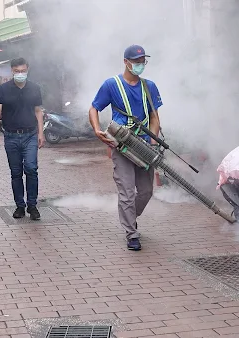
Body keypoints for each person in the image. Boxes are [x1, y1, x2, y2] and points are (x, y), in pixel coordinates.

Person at [88, 45, 163, 251]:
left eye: (142, 62)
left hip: (145, 146)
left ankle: (130, 217)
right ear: (126, 62)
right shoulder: (111, 85)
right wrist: (97, 130)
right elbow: (94, 108)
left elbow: (155, 117)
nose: (140, 65)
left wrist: (154, 141)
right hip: (121, 145)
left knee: (146, 192)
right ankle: (131, 233)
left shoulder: (150, 86)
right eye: (136, 61)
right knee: (127, 192)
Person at [0, 58, 45, 221]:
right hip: (11, 136)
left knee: (31, 168)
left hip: (30, 135)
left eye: (23, 71)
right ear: (12, 71)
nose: (20, 74)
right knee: (16, 172)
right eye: (17, 71)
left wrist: (41, 133)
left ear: (27, 69)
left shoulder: (35, 88)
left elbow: (38, 111)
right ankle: (20, 206)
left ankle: (32, 205)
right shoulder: (3, 89)